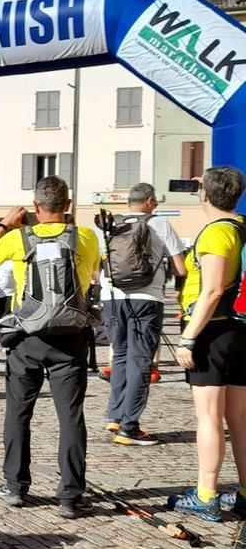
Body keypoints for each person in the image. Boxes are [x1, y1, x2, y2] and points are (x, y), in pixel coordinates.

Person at [0, 176, 101, 520]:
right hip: (70, 338)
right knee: (71, 416)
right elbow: (92, 273)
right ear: (68, 205)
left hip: (28, 337)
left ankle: (16, 487)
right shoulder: (85, 237)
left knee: (19, 413)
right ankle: (71, 495)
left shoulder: (20, 238)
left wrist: (5, 224)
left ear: (35, 207)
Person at [168, 167, 246, 521]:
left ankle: (206, 493)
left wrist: (188, 337)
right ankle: (244, 491)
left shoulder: (216, 233)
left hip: (213, 332)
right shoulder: (242, 225)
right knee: (240, 417)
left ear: (206, 196)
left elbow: (213, 289)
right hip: (239, 328)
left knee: (209, 417)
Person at [95, 183, 187, 447]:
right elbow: (180, 269)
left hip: (112, 298)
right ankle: (129, 426)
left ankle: (115, 415)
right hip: (146, 298)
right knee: (140, 360)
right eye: (154, 203)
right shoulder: (159, 224)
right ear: (148, 201)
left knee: (121, 355)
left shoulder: (113, 224)